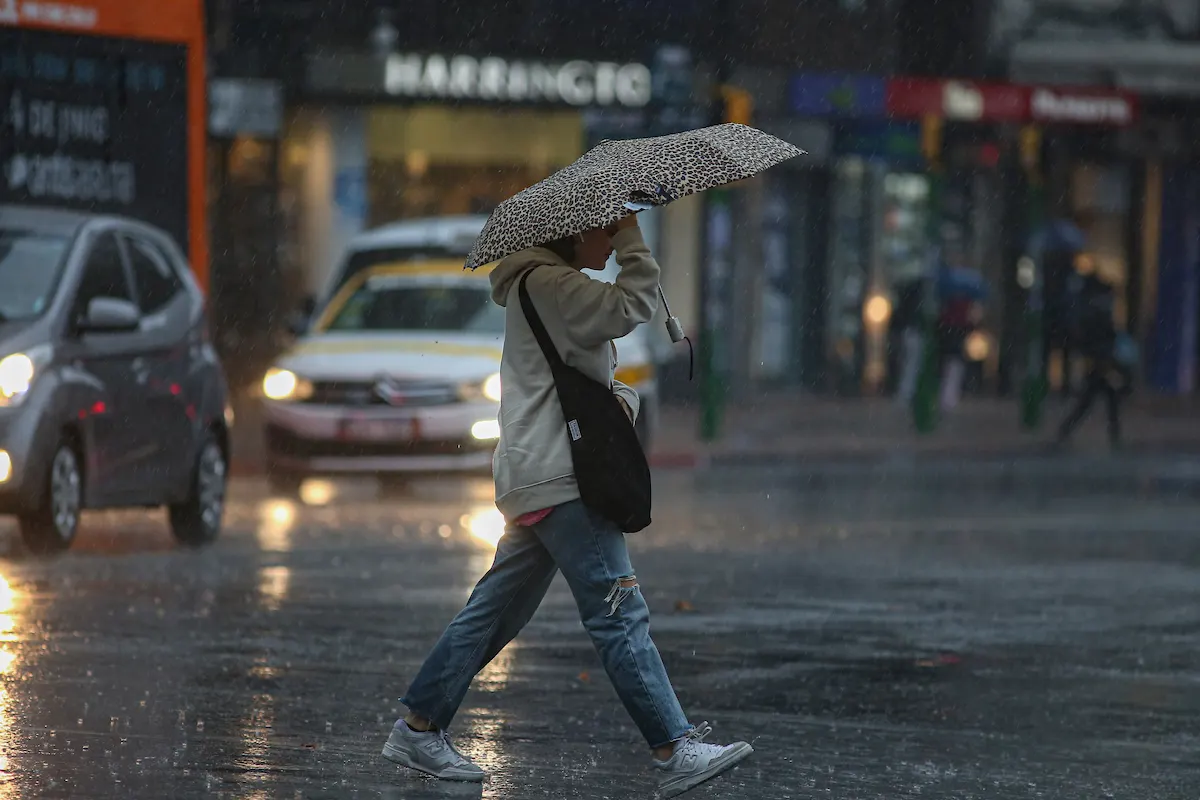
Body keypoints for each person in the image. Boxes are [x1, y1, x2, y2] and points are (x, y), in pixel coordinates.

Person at [380, 214, 753, 797]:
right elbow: (631, 305)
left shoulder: (541, 285)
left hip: (539, 471)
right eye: (607, 233)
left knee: (496, 611)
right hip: (561, 477)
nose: (610, 246)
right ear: (580, 232)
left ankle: (419, 726)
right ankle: (673, 745)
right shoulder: (553, 284)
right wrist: (634, 238)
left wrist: (616, 399)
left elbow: (571, 374)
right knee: (618, 611)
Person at [1055, 266, 1129, 447]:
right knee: (1095, 400)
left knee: (1098, 399)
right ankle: (1112, 435)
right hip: (1100, 360)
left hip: (1098, 359)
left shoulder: (1089, 308)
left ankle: (1112, 435)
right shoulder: (1097, 309)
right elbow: (1104, 334)